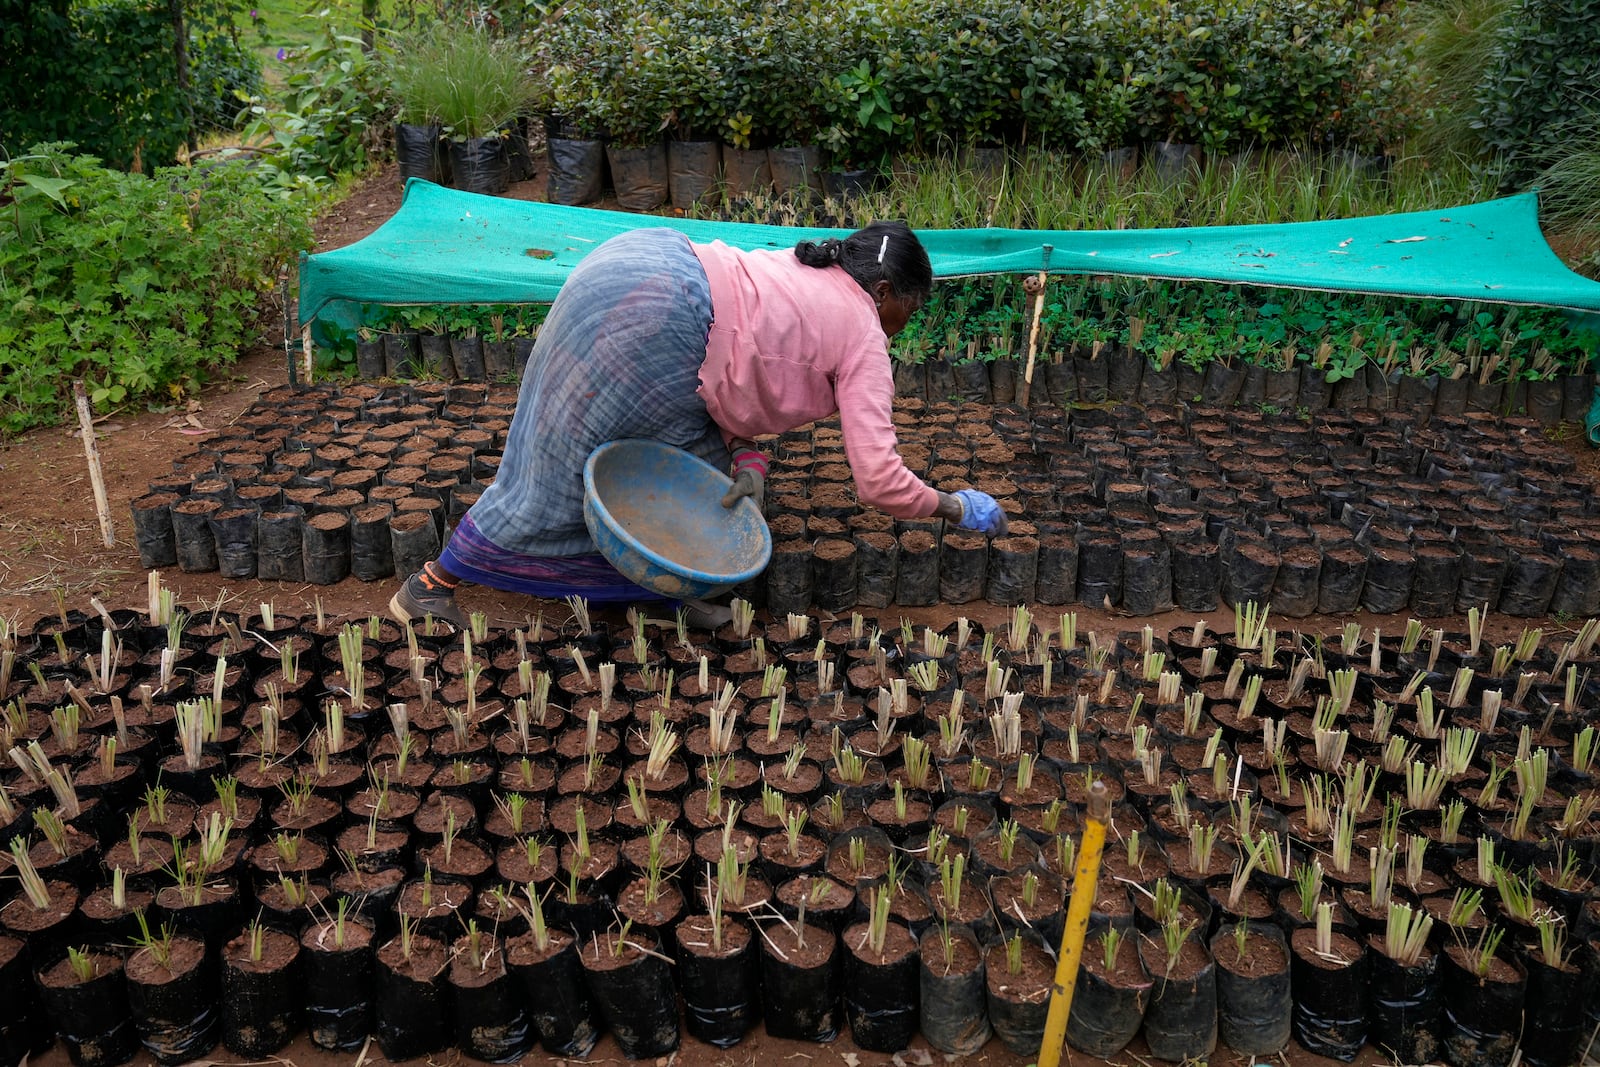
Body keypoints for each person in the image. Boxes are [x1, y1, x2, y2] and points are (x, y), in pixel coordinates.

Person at [389, 220, 1011, 630]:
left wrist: (748, 462)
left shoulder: (810, 270)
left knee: (684, 462)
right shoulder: (866, 336)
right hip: (667, 309)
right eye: (913, 305)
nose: (910, 319)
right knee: (555, 467)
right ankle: (427, 585)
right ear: (883, 291)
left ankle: (659, 596)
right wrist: (953, 507)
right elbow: (877, 480)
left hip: (645, 258)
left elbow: (738, 372)